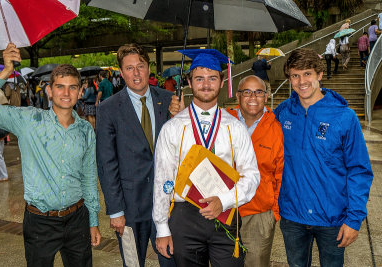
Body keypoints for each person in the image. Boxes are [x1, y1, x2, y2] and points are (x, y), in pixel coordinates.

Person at [0, 43, 101, 266]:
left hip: (78, 220)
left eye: (72, 87)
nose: (66, 93)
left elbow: (88, 178)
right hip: (40, 223)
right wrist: (6, 72)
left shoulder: (86, 130)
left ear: (80, 91)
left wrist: (93, 220)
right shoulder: (29, 120)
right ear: (49, 90)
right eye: (60, 87)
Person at [153, 49, 260, 267]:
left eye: (212, 78)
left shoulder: (235, 128)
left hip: (225, 213)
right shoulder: (173, 128)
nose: (206, 84)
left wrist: (225, 201)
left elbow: (252, 176)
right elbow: (163, 180)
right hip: (185, 217)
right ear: (189, 83)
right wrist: (162, 227)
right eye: (199, 78)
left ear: (222, 82)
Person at [274, 48, 373, 267]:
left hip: (333, 219)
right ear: (289, 78)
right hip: (293, 216)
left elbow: (359, 170)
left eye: (307, 73)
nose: (302, 81)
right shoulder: (283, 113)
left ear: (319, 74)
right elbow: (253, 129)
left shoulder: (344, 116)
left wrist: (354, 219)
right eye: (295, 75)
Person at [96, 43, 180, 267]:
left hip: (168, 203)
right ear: (121, 72)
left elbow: (183, 149)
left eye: (140, 66)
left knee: (172, 262)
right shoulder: (108, 109)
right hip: (130, 208)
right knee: (133, 263)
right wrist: (115, 210)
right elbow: (107, 163)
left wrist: (181, 118)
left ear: (149, 68)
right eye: (129, 68)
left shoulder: (170, 101)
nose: (136, 73)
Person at [226, 75, 284, 267]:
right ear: (238, 96)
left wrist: (273, 213)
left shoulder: (276, 128)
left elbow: (280, 173)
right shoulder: (224, 120)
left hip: (258, 214)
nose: (253, 97)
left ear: (266, 97)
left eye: (258, 92)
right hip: (225, 209)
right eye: (247, 92)